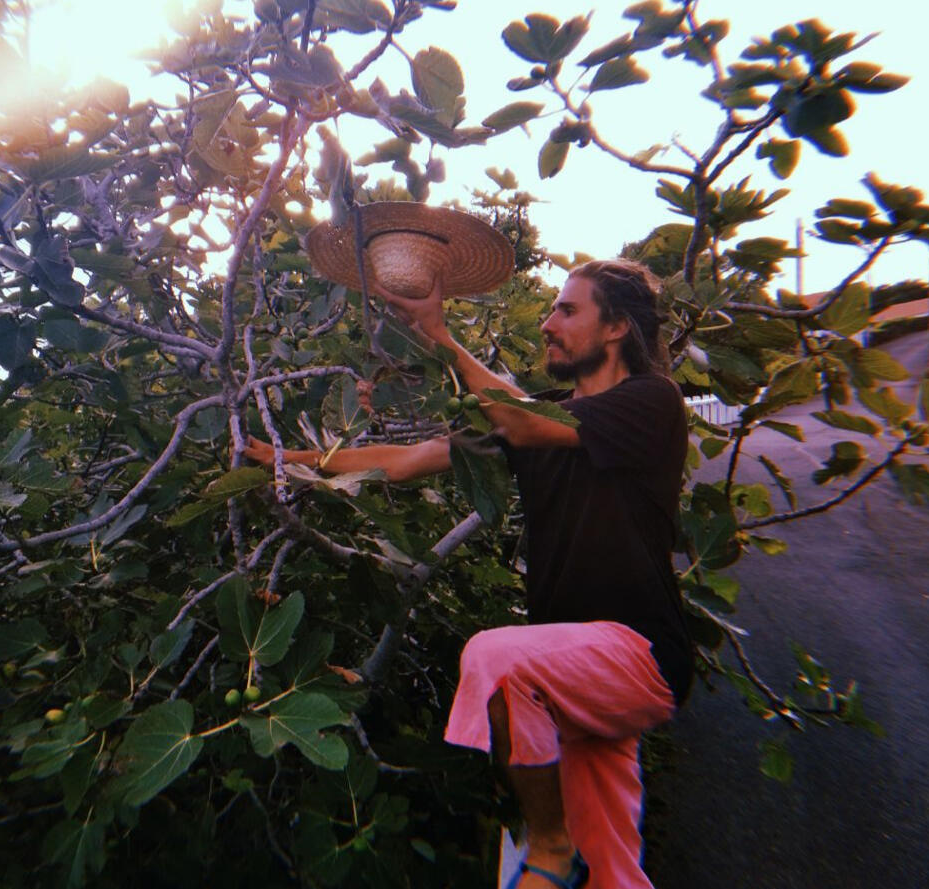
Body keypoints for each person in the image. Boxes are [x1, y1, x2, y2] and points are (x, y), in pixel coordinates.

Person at [245, 258, 693, 889]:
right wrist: (286, 458)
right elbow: (405, 460)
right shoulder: (534, 419)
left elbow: (524, 420)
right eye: (551, 309)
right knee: (612, 870)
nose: (548, 323)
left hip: (638, 653)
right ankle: (572, 858)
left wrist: (440, 337)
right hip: (568, 677)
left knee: (497, 660)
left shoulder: (650, 401)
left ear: (617, 327)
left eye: (567, 310)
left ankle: (552, 848)